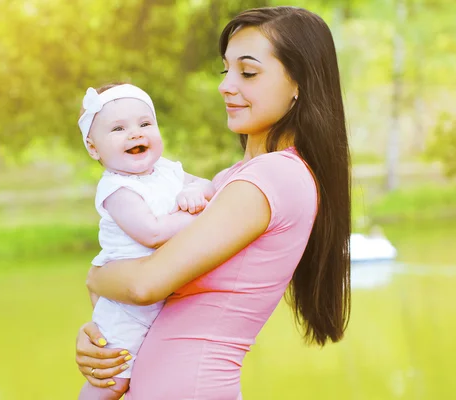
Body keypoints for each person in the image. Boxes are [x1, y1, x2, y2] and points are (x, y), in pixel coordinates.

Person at [75, 6, 351, 399]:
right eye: (226, 71)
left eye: (248, 72)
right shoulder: (228, 181)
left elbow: (143, 283)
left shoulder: (274, 178)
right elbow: (145, 294)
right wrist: (101, 336)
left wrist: (95, 276)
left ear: (298, 83)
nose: (226, 85)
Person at [76, 83, 215, 400]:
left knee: (151, 375)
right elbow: (152, 234)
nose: (135, 134)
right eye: (118, 128)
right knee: (114, 380)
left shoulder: (167, 171)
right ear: (94, 148)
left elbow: (207, 184)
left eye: (145, 123)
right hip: (127, 308)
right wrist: (201, 215)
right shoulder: (117, 190)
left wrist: (196, 193)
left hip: (160, 296)